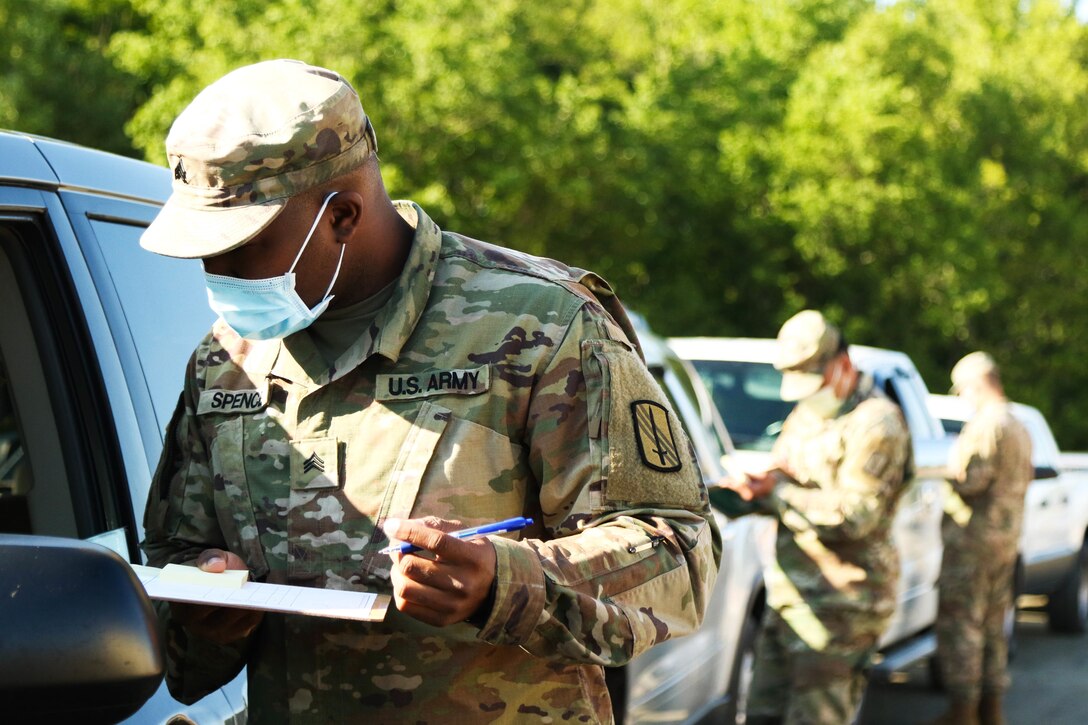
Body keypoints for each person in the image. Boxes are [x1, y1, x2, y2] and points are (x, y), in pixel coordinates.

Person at [138, 59, 719, 723]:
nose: (217, 272)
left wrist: (503, 581)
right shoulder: (226, 362)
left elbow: (678, 553)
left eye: (242, 246)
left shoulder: (544, 327)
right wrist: (209, 611)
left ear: (343, 216)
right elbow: (176, 593)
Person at [720, 309, 912, 724]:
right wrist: (751, 492)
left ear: (842, 365)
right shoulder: (807, 415)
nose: (806, 393)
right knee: (762, 715)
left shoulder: (876, 423)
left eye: (812, 379)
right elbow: (789, 476)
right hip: (790, 598)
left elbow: (857, 516)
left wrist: (779, 493)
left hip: (842, 607)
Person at [932, 352, 1032, 725]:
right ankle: (991, 710)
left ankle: (963, 712)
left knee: (963, 627)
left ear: (976, 385)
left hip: (973, 546)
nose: (962, 399)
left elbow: (971, 480)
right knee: (992, 627)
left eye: (962, 391)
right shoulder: (1018, 424)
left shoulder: (987, 425)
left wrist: (949, 471)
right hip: (1003, 544)